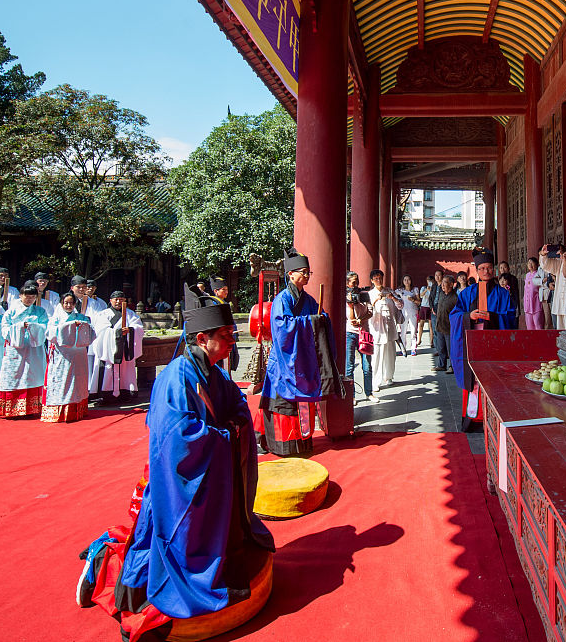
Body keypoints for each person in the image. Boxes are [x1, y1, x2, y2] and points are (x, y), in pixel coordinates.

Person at [76, 295, 273, 641]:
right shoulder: (175, 378)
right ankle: (101, 561)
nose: (231, 341)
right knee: (156, 551)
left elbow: (238, 403)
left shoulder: (211, 371)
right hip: (176, 483)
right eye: (225, 335)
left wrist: (234, 426)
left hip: (208, 476)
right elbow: (179, 439)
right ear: (201, 339)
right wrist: (225, 434)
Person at [256, 248, 340, 457]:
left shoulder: (309, 299)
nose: (306, 275)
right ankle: (279, 444)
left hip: (301, 359)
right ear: (290, 274)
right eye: (302, 271)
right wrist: (311, 322)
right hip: (285, 359)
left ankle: (302, 442)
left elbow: (320, 316)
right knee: (283, 403)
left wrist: (322, 319)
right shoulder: (282, 299)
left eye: (308, 272)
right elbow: (282, 327)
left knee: (301, 400)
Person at [449, 250, 517, 431]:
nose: (486, 271)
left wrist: (493, 317)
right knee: (473, 380)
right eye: (482, 268)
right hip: (471, 344)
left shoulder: (503, 294)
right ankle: (473, 418)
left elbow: (511, 318)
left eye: (489, 268)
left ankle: (493, 419)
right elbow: (454, 315)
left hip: (494, 345)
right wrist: (468, 316)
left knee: (494, 380)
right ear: (477, 271)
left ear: (494, 270)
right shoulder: (467, 293)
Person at [0, 283, 49, 417]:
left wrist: (33, 327)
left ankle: (34, 407)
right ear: (20, 296)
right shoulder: (11, 312)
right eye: (26, 296)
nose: (29, 299)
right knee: (14, 376)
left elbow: (45, 327)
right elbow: (5, 329)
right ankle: (11, 408)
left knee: (33, 375)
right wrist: (19, 327)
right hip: (16, 349)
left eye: (32, 297)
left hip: (34, 349)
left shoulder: (40, 311)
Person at [44, 292, 97, 422]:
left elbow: (92, 334)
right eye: (66, 303)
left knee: (77, 381)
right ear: (61, 304)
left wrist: (84, 326)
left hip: (78, 354)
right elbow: (50, 334)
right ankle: (60, 410)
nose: (68, 305)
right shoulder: (55, 318)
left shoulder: (82, 317)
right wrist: (69, 326)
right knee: (62, 380)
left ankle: (77, 409)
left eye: (71, 303)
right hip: (62, 354)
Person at [89, 290, 144, 404]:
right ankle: (105, 394)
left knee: (125, 370)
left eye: (121, 299)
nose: (118, 302)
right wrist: (117, 333)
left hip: (125, 348)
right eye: (116, 299)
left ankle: (126, 393)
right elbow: (100, 330)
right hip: (108, 350)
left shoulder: (131, 314)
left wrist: (130, 330)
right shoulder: (103, 314)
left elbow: (138, 327)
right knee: (107, 370)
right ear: (111, 301)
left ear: (125, 301)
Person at [368, 269, 401, 397]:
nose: (378, 280)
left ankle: (389, 376)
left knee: (390, 353)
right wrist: (376, 300)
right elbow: (368, 309)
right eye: (376, 278)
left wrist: (392, 297)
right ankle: (375, 381)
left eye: (380, 278)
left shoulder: (390, 291)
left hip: (390, 326)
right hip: (377, 328)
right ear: (372, 280)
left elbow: (400, 305)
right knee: (377, 355)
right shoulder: (370, 294)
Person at [343, 272, 373, 402]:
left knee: (367, 365)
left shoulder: (364, 295)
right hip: (350, 332)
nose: (355, 285)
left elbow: (370, 312)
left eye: (357, 281)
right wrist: (350, 304)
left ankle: (369, 392)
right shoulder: (345, 296)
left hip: (364, 332)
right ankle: (352, 395)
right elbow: (351, 319)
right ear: (347, 283)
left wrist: (362, 319)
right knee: (349, 366)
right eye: (353, 282)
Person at [539, 241, 566, 329]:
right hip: (561, 302)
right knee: (561, 332)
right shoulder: (560, 262)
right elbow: (546, 265)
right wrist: (543, 254)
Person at [432, 275, 457, 373]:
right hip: (440, 325)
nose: (442, 285)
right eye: (442, 283)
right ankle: (442, 365)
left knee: (451, 349)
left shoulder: (455, 298)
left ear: (451, 284)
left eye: (445, 282)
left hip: (449, 327)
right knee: (441, 347)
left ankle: (452, 366)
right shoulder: (442, 294)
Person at [395, 275, 421, 355]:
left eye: (408, 280)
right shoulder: (400, 290)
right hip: (404, 312)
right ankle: (403, 348)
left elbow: (419, 302)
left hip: (413, 312)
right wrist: (398, 302)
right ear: (403, 281)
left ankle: (413, 348)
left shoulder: (415, 290)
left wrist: (413, 299)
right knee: (403, 331)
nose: (407, 281)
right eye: (405, 280)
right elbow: (393, 294)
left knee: (413, 331)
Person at [523, 257, 547, 331]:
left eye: (532, 263)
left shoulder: (538, 274)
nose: (530, 264)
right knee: (529, 325)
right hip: (527, 304)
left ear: (537, 264)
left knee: (538, 324)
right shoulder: (527, 275)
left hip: (536, 302)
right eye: (529, 263)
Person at [416, 274, 434, 349]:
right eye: (428, 280)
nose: (429, 282)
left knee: (431, 326)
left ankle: (432, 341)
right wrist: (427, 289)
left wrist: (431, 290)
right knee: (421, 325)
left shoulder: (434, 289)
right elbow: (420, 296)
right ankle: (419, 339)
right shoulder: (423, 288)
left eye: (431, 281)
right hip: (424, 307)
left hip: (430, 307)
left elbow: (433, 297)